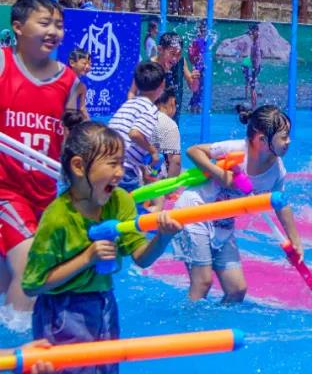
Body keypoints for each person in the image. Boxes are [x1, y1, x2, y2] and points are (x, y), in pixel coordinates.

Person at [22, 121, 180, 372]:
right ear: (78, 166)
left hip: (104, 305)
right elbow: (32, 285)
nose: (120, 172)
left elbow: (141, 258)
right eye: (112, 163)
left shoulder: (119, 201)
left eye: (122, 163)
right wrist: (86, 258)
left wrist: (163, 237)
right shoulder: (57, 218)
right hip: (62, 313)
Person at [174, 105, 304, 303]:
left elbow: (281, 204)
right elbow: (193, 151)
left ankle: (215, 321)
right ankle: (187, 322)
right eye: (284, 137)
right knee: (202, 282)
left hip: (222, 223)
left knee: (237, 290)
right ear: (262, 140)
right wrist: (220, 174)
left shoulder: (277, 170)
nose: (289, 141)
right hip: (195, 211)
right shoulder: (236, 150)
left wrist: (295, 241)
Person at [0, 0, 80, 311]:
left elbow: (72, 135)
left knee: (7, 280)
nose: (53, 31)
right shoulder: (3, 64)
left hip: (45, 193)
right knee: (32, 267)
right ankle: (24, 340)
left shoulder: (69, 81)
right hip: (5, 191)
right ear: (18, 27)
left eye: (58, 25)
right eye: (44, 23)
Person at [108, 62, 165, 194]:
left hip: (107, 161)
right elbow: (134, 134)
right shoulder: (150, 109)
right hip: (123, 169)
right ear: (162, 85)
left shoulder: (129, 104)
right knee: (130, 204)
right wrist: (153, 151)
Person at [129, 32, 197, 122]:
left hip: (172, 120)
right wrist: (133, 113)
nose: (175, 59)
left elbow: (193, 88)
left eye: (178, 54)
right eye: (172, 53)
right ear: (160, 49)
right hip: (150, 120)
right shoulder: (147, 67)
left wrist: (195, 79)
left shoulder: (181, 62)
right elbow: (132, 92)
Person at [187, 21, 208, 113]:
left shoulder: (196, 41)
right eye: (205, 30)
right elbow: (196, 56)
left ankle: (194, 107)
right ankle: (195, 108)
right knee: (199, 89)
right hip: (200, 68)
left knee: (198, 89)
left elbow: (192, 56)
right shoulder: (201, 41)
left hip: (198, 68)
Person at [68, 48, 91, 119]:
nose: (88, 67)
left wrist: (90, 123)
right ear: (72, 63)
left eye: (89, 64)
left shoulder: (82, 87)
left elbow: (82, 109)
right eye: (84, 63)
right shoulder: (60, 80)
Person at [243, 25, 262, 108]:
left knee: (252, 86)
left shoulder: (257, 40)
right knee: (251, 85)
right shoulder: (253, 41)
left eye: (253, 31)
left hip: (255, 66)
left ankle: (254, 105)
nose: (252, 33)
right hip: (252, 65)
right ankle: (253, 104)